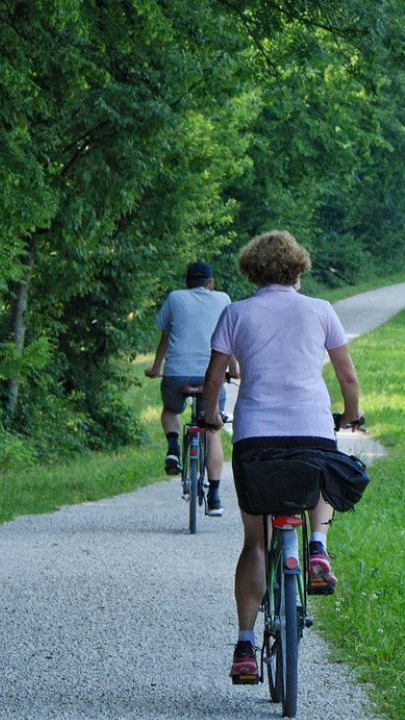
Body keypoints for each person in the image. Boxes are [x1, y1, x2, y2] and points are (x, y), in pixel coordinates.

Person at [200, 230, 361, 680]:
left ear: (251, 269)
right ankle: (316, 548)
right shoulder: (321, 311)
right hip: (310, 427)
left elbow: (214, 380)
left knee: (255, 542)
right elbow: (347, 378)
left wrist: (212, 416)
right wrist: (350, 414)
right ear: (299, 268)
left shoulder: (236, 312)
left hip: (256, 438)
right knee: (322, 470)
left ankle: (246, 646)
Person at [145, 260, 233, 515]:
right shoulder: (223, 298)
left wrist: (155, 367)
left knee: (171, 410)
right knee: (212, 429)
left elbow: (165, 337)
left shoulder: (175, 298)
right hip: (211, 375)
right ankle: (215, 498)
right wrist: (235, 368)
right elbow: (228, 340)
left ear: (186, 282)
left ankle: (173, 449)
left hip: (177, 374)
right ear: (210, 283)